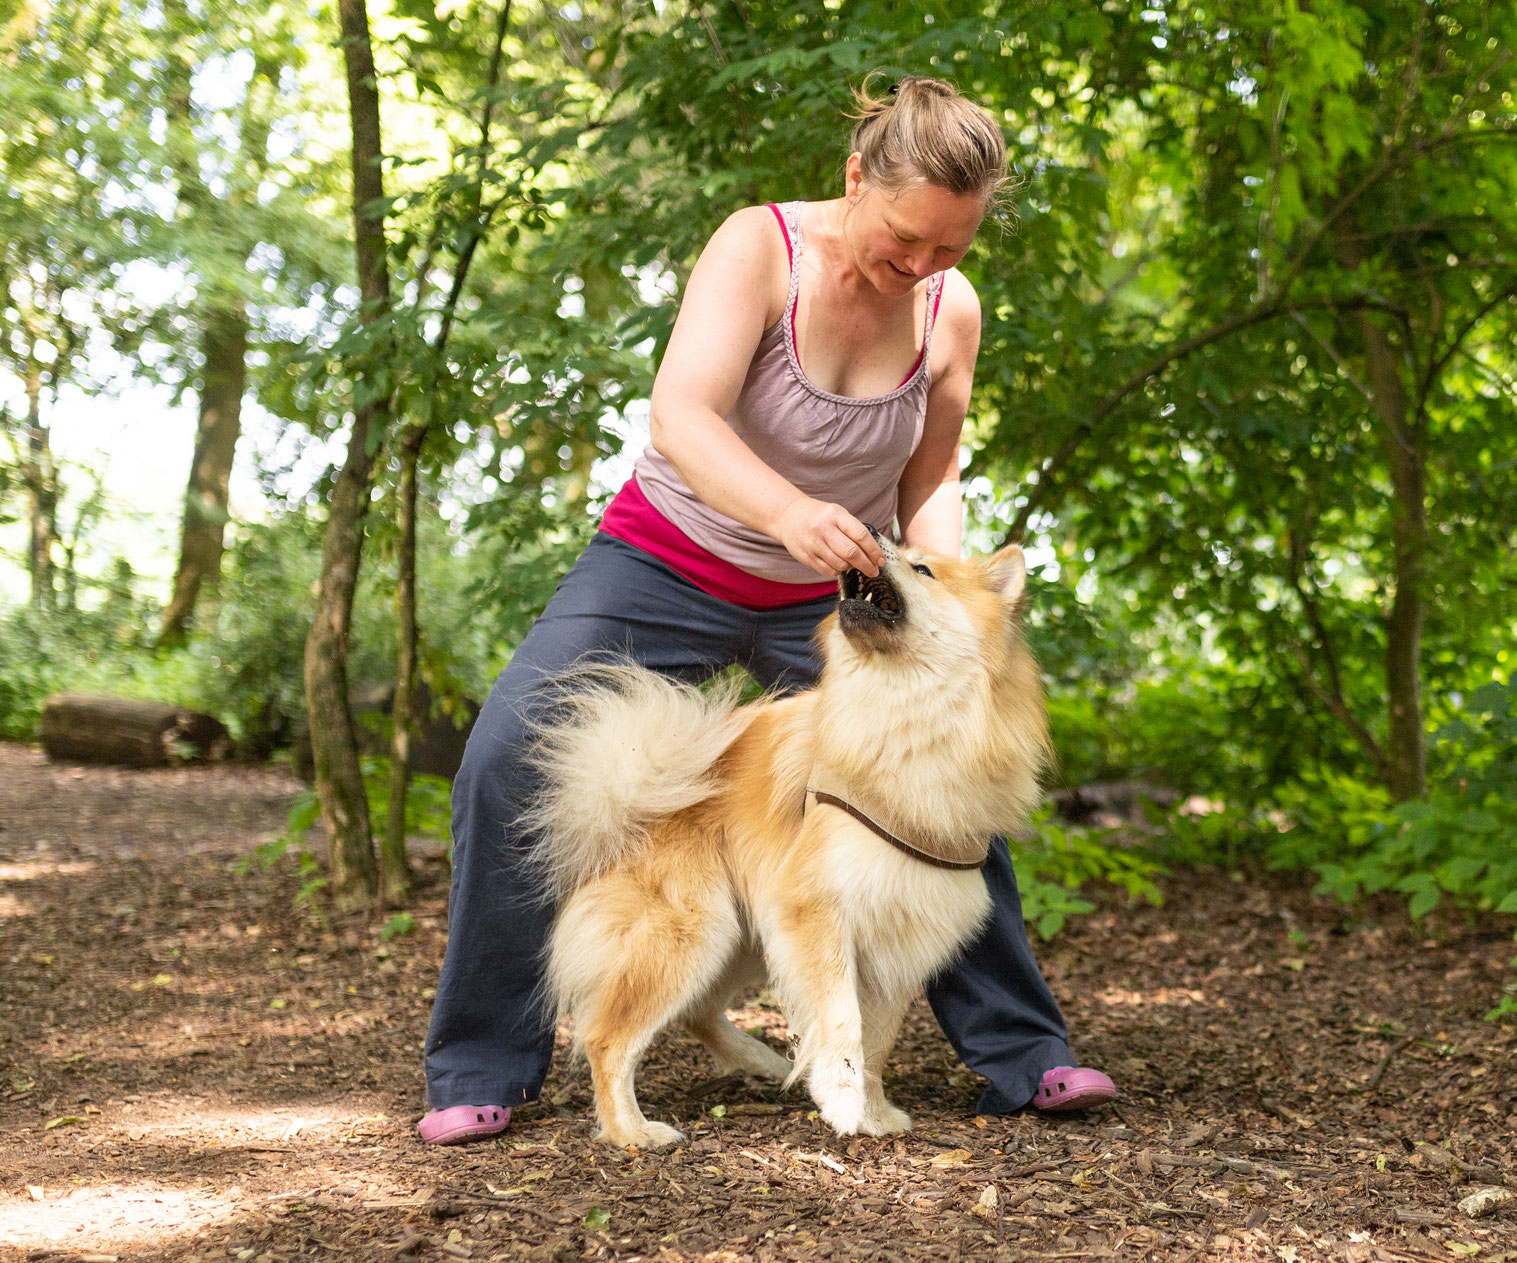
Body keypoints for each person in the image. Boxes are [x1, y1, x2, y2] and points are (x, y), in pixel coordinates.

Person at [417, 77, 1118, 1145]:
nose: (922, 266)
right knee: (504, 757)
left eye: (950, 249)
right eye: (905, 240)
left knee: (942, 783)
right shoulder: (759, 248)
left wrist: (950, 604)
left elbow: (929, 480)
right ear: (854, 179)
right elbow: (680, 414)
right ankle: (482, 1065)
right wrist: (790, 511)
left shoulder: (948, 312)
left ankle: (1023, 1056)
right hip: (665, 562)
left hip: (832, 598)